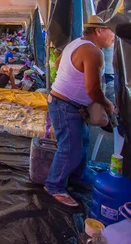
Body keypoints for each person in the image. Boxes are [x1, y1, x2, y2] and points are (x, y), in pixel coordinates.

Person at [45, 15, 115, 207]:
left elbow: (59, 64)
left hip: (65, 103)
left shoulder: (76, 43)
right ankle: (54, 185)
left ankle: (79, 176)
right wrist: (107, 104)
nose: (114, 36)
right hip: (64, 105)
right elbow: (93, 90)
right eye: (112, 31)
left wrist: (70, 79)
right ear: (99, 31)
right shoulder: (93, 52)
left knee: (82, 141)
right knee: (70, 148)